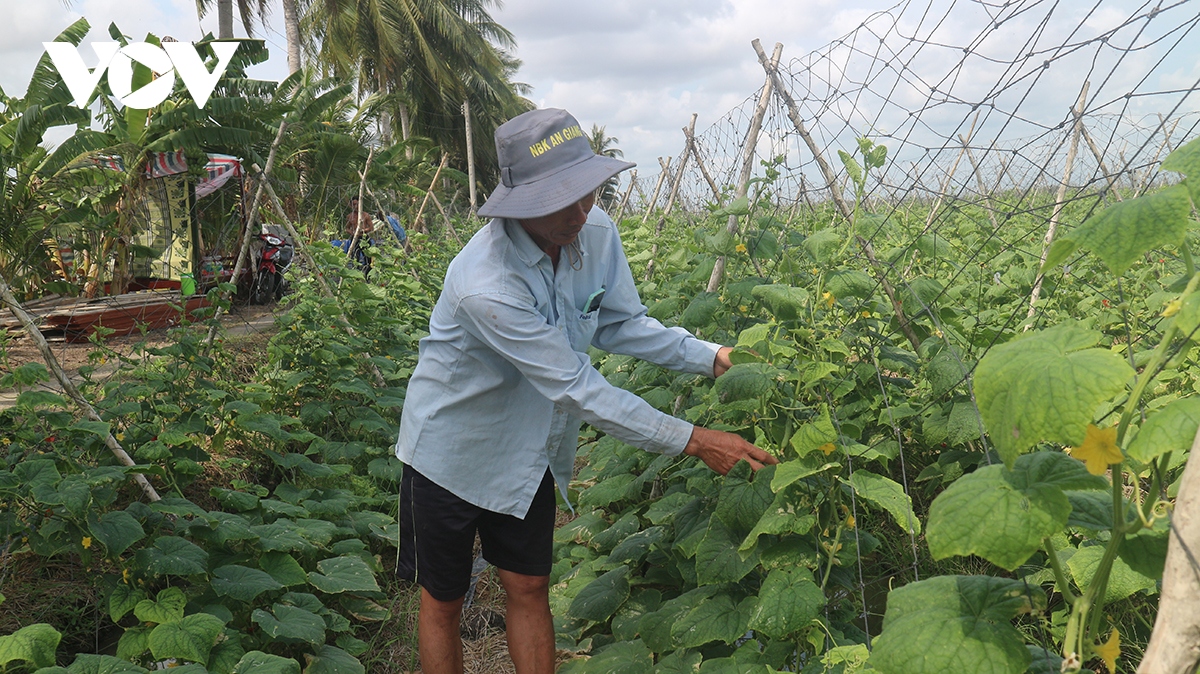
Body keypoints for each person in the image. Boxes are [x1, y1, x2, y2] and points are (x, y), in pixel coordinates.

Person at [393, 108, 777, 674]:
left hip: (528, 451)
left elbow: (622, 322)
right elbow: (578, 388)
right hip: (450, 451)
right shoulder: (487, 283)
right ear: (521, 203)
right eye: (560, 201)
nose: (579, 213)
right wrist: (694, 440)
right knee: (444, 599)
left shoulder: (593, 232)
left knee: (528, 584)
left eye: (587, 194)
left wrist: (713, 357)